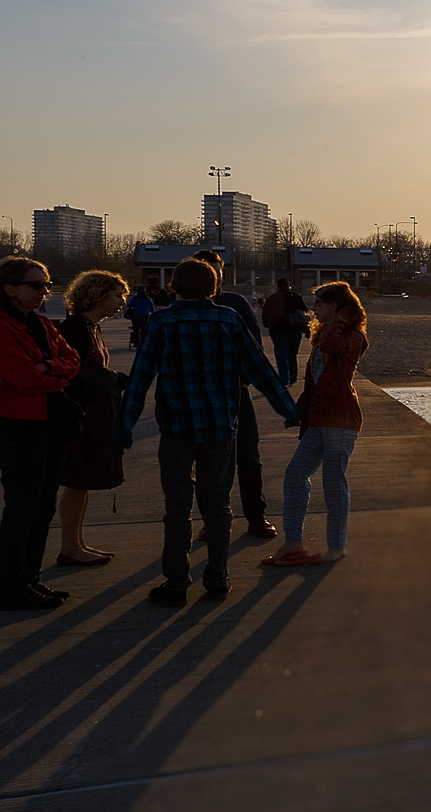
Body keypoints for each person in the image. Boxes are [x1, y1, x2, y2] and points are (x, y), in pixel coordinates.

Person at [118, 257, 299, 606]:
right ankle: (217, 577)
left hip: (176, 428)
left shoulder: (161, 321)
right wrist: (288, 411)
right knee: (218, 507)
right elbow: (260, 370)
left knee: (177, 509)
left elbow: (140, 379)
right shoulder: (228, 319)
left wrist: (125, 426)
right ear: (214, 286)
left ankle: (176, 583)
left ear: (174, 285)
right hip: (220, 427)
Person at [0, 256, 79, 611]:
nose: (44, 291)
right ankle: (14, 588)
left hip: (52, 424)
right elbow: (23, 379)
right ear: (10, 289)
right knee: (21, 509)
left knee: (43, 507)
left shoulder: (42, 324)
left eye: (46, 284)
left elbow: (73, 360)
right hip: (19, 429)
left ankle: (30, 579)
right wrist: (54, 374)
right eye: (36, 285)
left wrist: (49, 367)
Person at [264, 282, 369, 567]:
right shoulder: (325, 335)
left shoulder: (353, 336)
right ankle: (294, 541)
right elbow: (314, 384)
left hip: (341, 420)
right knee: (295, 474)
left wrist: (339, 321)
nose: (313, 309)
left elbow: (332, 346)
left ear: (335, 306)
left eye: (320, 304)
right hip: (319, 420)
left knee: (334, 486)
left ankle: (336, 546)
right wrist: (297, 411)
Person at [189, 249, 277, 538]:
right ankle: (210, 520)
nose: (215, 277)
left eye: (218, 270)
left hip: (235, 393)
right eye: (208, 271)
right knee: (206, 461)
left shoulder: (236, 303)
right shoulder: (185, 308)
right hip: (200, 398)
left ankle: (256, 516)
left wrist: (243, 378)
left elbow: (255, 347)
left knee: (249, 457)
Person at [56, 270, 130, 567]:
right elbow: (70, 373)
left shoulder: (91, 327)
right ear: (98, 295)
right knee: (76, 482)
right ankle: (70, 547)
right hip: (81, 416)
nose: (122, 302)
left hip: (89, 414)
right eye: (117, 295)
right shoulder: (76, 327)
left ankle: (76, 543)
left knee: (81, 482)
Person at [260, 277, 307, 385]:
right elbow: (304, 312)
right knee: (292, 354)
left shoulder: (272, 298)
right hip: (294, 329)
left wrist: (268, 324)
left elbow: (265, 314)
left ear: (277, 286)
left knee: (281, 354)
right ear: (288, 285)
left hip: (277, 330)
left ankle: (283, 379)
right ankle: (293, 378)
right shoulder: (296, 297)